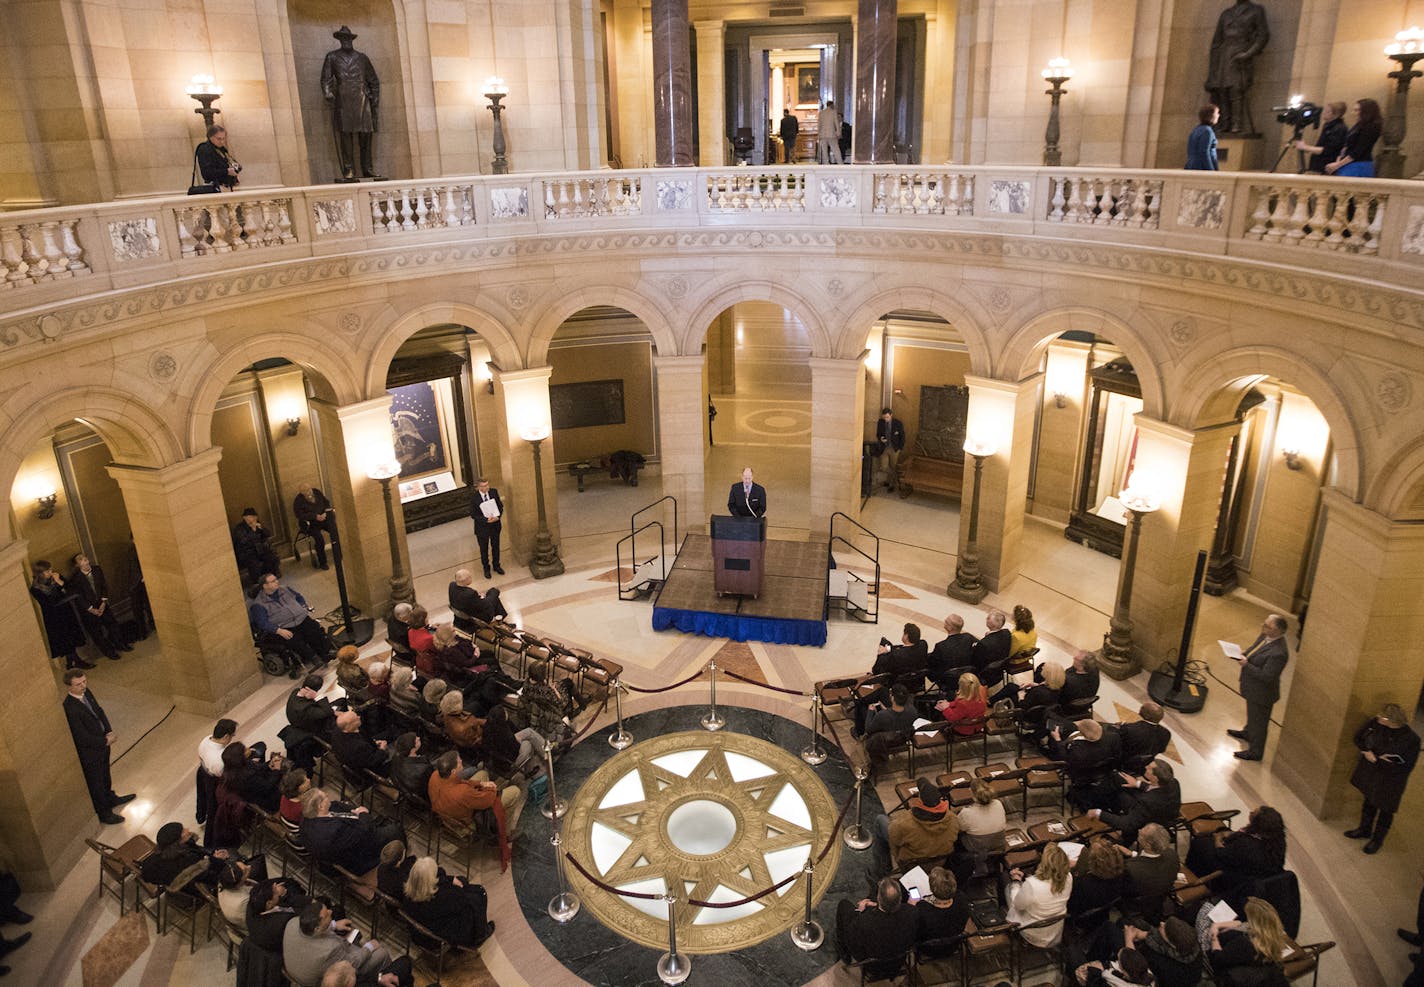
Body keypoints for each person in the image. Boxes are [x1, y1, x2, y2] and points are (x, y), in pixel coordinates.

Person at [1345, 702, 1420, 853]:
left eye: (1382, 717)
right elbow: (1358, 738)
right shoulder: (1375, 724)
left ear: (1390, 721)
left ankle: (1377, 840)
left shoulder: (1411, 739)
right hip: (1372, 774)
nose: (1378, 717)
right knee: (1369, 801)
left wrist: (1380, 761)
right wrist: (1366, 751)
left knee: (1386, 810)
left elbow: (1407, 767)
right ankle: (1364, 829)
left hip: (1391, 780)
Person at [427, 750, 520, 872]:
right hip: (467, 820)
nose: (461, 761)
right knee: (515, 792)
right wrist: (490, 788)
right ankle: (505, 834)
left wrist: (481, 783)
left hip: (449, 814)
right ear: (453, 771)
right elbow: (487, 800)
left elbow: (461, 782)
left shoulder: (434, 776)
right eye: (459, 761)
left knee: (482, 774)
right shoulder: (462, 793)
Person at [62, 669, 134, 824]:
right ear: (69, 687)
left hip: (103, 743)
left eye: (84, 682)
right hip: (90, 752)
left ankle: (111, 798)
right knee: (96, 783)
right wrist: (104, 742)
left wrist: (108, 731)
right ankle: (104, 813)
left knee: (105, 775)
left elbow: (99, 712)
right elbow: (80, 736)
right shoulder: (69, 707)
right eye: (78, 684)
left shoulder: (87, 693)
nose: (83, 686)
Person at [1187, 805, 1286, 913]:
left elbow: (1221, 853)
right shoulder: (1279, 842)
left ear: (1258, 824)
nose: (1251, 812)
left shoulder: (1246, 845)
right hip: (1256, 874)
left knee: (1199, 844)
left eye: (1254, 813)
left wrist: (1217, 838)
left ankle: (1194, 879)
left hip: (1235, 877)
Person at [321, 26, 384, 182]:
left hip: (363, 99)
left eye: (348, 38)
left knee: (366, 136)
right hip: (344, 99)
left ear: (352, 40)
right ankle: (349, 169)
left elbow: (374, 80)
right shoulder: (332, 57)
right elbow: (326, 78)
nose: (346, 41)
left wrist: (374, 99)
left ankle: (367, 168)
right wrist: (328, 92)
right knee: (346, 136)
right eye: (343, 38)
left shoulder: (362, 58)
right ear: (339, 40)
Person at [283, 899, 391, 986]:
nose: (330, 911)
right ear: (317, 928)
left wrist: (333, 925)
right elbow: (350, 964)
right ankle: (384, 977)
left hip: (297, 967)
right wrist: (369, 947)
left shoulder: (293, 922)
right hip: (316, 981)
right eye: (326, 915)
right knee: (381, 954)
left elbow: (316, 932)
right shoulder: (331, 949)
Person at [1226, 613, 1288, 760]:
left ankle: (1255, 751)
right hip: (1253, 688)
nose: (1263, 627)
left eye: (1267, 626)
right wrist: (1244, 653)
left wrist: (1246, 665)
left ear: (1277, 631)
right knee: (1253, 717)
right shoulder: (1265, 635)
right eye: (1264, 623)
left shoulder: (1279, 653)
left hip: (1262, 693)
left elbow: (1267, 676)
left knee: (1259, 723)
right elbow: (1255, 649)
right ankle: (1248, 732)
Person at [299, 788, 402, 876]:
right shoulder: (333, 831)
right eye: (324, 796)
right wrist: (362, 814)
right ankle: (400, 855)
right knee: (395, 830)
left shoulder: (306, 819)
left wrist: (354, 810)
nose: (327, 794)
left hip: (352, 831)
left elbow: (337, 805)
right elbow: (363, 832)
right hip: (358, 854)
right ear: (320, 807)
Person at [1204, 0, 1270, 135]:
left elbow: (1263, 35)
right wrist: (1213, 67)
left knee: (1236, 90)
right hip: (1224, 56)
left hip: (1241, 53)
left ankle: (1236, 124)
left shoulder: (1256, 10)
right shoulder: (1226, 14)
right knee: (1222, 91)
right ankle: (1224, 124)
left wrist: (1248, 53)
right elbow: (1217, 42)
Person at [401, 855, 495, 947]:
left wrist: (450, 879)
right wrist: (456, 885)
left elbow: (441, 877)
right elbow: (461, 898)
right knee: (479, 894)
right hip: (444, 932)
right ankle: (481, 935)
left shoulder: (409, 893)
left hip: (427, 928)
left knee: (462, 881)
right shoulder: (441, 898)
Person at [873, 776, 959, 875]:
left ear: (920, 800)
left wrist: (898, 857)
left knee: (880, 820)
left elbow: (894, 842)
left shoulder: (904, 823)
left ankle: (883, 870)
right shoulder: (953, 819)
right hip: (939, 863)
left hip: (911, 866)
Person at [249, 573, 334, 669]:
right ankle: (313, 657)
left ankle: (325, 652)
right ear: (265, 586)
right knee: (294, 639)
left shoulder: (285, 589)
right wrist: (279, 630)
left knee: (314, 628)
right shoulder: (258, 604)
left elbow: (299, 597)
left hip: (300, 618)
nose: (277, 582)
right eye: (273, 581)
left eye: (276, 579)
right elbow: (262, 623)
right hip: (285, 626)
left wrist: (303, 606)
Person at [1090, 759, 1181, 845]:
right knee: (1118, 778)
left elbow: (1127, 824)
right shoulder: (1173, 782)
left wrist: (1098, 813)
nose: (1145, 767)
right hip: (1163, 811)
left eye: (1149, 768)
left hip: (1149, 820)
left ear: (1155, 777)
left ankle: (1124, 842)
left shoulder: (1147, 801)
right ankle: (1098, 799)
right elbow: (1154, 788)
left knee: (1119, 795)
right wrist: (1137, 783)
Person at [834, 876, 917, 965]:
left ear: (879, 898)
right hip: (898, 960)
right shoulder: (912, 912)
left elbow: (854, 940)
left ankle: (843, 950)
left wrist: (859, 912)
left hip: (873, 965)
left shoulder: (863, 920)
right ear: (900, 898)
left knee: (844, 905)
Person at [1206, 896, 1288, 982]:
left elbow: (1218, 959)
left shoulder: (1243, 944)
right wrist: (1217, 925)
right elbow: (1242, 924)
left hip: (1220, 967)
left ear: (1254, 922)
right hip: (1247, 967)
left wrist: (1214, 938)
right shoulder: (1274, 937)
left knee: (1204, 911)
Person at [1006, 841, 1072, 947]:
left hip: (1033, 932)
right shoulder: (1068, 877)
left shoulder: (1033, 884)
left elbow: (1018, 905)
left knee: (1009, 887)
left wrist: (1016, 881)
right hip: (1054, 931)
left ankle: (1003, 920)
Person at [30, 560, 92, 669]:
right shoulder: (35, 588)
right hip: (54, 617)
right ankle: (76, 661)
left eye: (50, 569)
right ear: (40, 573)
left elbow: (71, 589)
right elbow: (48, 603)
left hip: (66, 611)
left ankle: (70, 662)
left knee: (71, 637)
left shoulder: (56, 578)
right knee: (64, 639)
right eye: (47, 571)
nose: (50, 572)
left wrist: (59, 582)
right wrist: (61, 590)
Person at [70, 552, 130, 658]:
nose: (86, 562)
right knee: (97, 633)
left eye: (86, 559)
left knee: (112, 625)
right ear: (77, 565)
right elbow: (79, 597)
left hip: (101, 604)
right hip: (89, 610)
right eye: (82, 561)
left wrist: (103, 602)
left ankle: (120, 644)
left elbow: (103, 585)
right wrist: (91, 609)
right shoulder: (76, 579)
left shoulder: (97, 569)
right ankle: (109, 653)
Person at [1120, 824, 1179, 921]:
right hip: (1159, 899)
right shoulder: (1172, 855)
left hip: (1138, 904)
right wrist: (1133, 855)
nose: (1138, 830)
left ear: (1147, 845)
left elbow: (1124, 890)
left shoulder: (1131, 868)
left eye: (1141, 833)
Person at [1124, 916, 1202, 987]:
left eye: (1165, 927)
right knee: (1133, 921)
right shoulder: (1193, 945)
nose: (1161, 923)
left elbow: (1135, 967)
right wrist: (1145, 934)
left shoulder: (1160, 963)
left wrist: (1128, 939)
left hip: (1158, 980)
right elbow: (1161, 937)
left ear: (1172, 945)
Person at [1069, 838, 1129, 917]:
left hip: (1082, 917)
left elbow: (1072, 907)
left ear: (1092, 862)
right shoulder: (1124, 875)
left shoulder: (1082, 883)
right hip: (1103, 913)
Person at [221, 740, 285, 813]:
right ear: (240, 757)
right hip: (268, 800)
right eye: (245, 750)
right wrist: (276, 770)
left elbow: (258, 767)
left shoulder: (236, 768)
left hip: (261, 787)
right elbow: (267, 786)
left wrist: (270, 763)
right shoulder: (247, 777)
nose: (249, 749)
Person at [1325, 98, 1383, 178]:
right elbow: (1347, 146)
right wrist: (1338, 161)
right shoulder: (1358, 125)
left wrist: (1337, 165)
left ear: (1366, 112)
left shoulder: (1371, 128)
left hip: (1359, 165)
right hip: (1347, 163)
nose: (1353, 113)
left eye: (1357, 110)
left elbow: (1357, 152)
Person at [1294, 100, 1348, 173]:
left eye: (1328, 111)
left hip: (1326, 166)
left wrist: (1305, 147)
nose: (1324, 113)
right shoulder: (1328, 125)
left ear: (1336, 114)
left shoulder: (1339, 128)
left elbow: (1328, 150)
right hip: (1318, 164)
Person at [232, 508, 281, 588]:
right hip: (247, 552)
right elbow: (244, 541)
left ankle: (270, 578)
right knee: (254, 563)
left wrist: (261, 529)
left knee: (271, 557)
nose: (254, 519)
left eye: (254, 517)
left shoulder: (258, 525)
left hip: (260, 550)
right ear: (245, 518)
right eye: (251, 517)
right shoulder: (240, 528)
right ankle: (258, 583)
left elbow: (268, 534)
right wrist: (253, 530)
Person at [1116, 703, 1171, 773]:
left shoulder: (1130, 729)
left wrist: (1120, 727)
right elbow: (1161, 750)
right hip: (1144, 765)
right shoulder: (1166, 733)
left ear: (1147, 716)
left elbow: (1115, 744)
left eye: (1142, 708)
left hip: (1122, 763)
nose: (1140, 708)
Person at [292, 483, 336, 570]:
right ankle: (323, 562)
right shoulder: (298, 501)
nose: (308, 493)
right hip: (310, 524)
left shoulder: (317, 492)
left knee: (335, 531)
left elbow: (326, 502)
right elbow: (299, 515)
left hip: (323, 519)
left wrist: (325, 513)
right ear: (301, 493)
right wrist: (315, 516)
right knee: (319, 539)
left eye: (309, 490)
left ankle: (338, 554)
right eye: (304, 492)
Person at [927, 614, 977, 689]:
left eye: (946, 622)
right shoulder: (968, 637)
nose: (944, 621)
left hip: (948, 680)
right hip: (966, 674)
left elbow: (932, 663)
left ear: (950, 627)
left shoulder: (941, 646)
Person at [470, 478, 505, 578]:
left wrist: (497, 517)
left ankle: (496, 565)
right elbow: (473, 514)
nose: (486, 487)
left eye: (487, 485)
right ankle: (486, 568)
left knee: (496, 546)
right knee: (484, 549)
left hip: (495, 525)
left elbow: (500, 506)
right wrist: (486, 520)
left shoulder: (494, 492)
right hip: (482, 528)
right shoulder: (474, 497)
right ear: (479, 487)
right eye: (484, 486)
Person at [970, 610, 1011, 685]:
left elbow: (976, 662)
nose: (986, 619)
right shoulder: (1007, 633)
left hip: (985, 674)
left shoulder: (984, 644)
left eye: (988, 618)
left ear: (991, 624)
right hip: (1000, 669)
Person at [388, 733, 434, 801]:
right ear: (412, 749)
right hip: (422, 797)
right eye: (416, 740)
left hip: (405, 791)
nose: (419, 738)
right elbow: (431, 786)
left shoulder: (395, 757)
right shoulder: (424, 768)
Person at [874, 407, 905, 491]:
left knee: (893, 466)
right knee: (884, 467)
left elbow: (902, 436)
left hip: (894, 448)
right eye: (884, 417)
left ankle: (891, 484)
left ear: (891, 415)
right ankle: (894, 479)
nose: (886, 419)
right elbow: (878, 434)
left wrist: (900, 448)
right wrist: (881, 438)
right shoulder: (880, 422)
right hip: (884, 448)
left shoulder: (898, 423)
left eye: (887, 417)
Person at [1185, 104, 1220, 170]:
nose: (1218, 115)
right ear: (1211, 116)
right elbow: (1204, 153)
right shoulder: (1207, 131)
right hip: (1201, 167)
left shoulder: (1196, 129)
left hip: (1191, 165)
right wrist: (1211, 170)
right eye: (1217, 113)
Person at [817, 100, 843, 164]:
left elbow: (819, 124)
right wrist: (839, 133)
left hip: (823, 134)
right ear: (832, 105)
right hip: (831, 134)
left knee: (824, 151)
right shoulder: (833, 112)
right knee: (836, 149)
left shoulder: (821, 113)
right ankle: (840, 163)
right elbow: (836, 123)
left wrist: (819, 134)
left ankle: (826, 163)